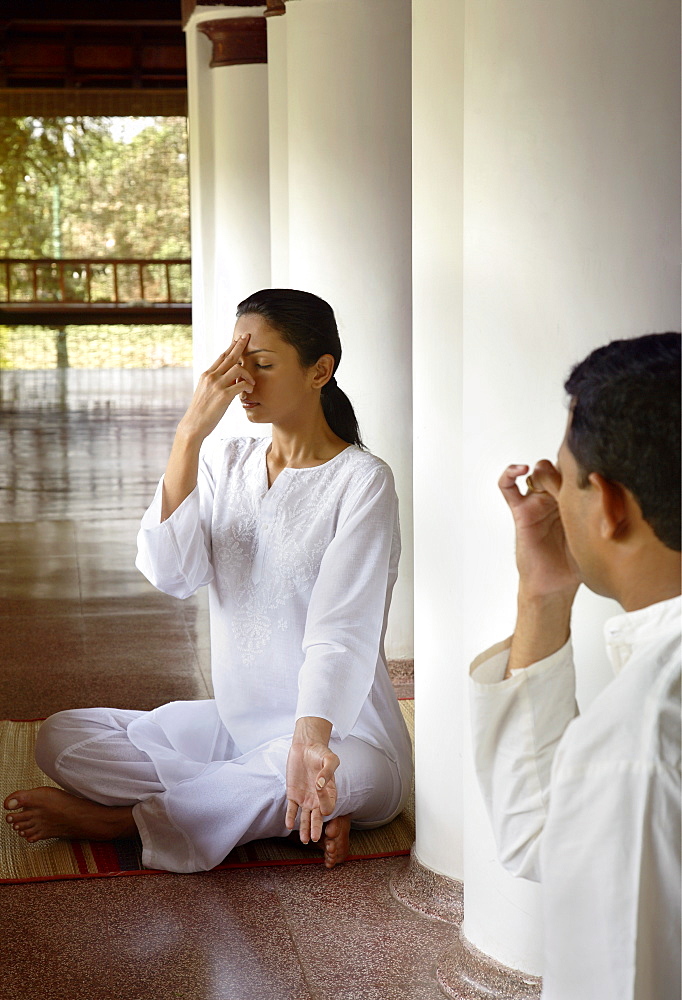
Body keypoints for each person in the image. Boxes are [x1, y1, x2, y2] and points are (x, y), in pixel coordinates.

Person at [4, 288, 413, 873]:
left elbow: (342, 631)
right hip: (236, 727)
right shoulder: (227, 463)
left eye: (263, 365)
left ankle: (127, 822)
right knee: (63, 737)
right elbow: (173, 573)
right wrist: (189, 435)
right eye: (237, 361)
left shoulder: (362, 481)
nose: (243, 379)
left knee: (308, 772)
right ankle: (264, 808)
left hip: (345, 741)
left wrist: (309, 745)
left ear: (320, 370)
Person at [469, 331, 681, 1000]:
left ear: (611, 505)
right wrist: (544, 592)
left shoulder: (644, 740)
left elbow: (619, 976)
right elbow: (549, 830)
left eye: (571, 483)